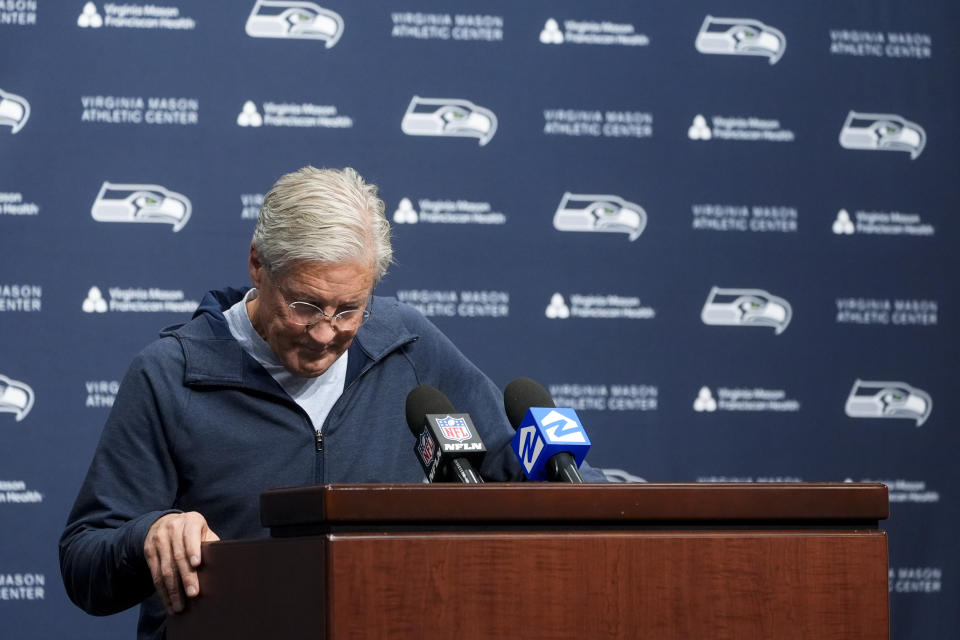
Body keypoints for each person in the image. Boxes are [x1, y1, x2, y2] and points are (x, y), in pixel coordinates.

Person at [60, 166, 605, 640]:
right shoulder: (172, 373)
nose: (325, 334)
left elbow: (507, 466)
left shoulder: (407, 345)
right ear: (257, 265)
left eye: (349, 309)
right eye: (305, 305)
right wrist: (150, 534)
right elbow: (84, 561)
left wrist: (586, 492)